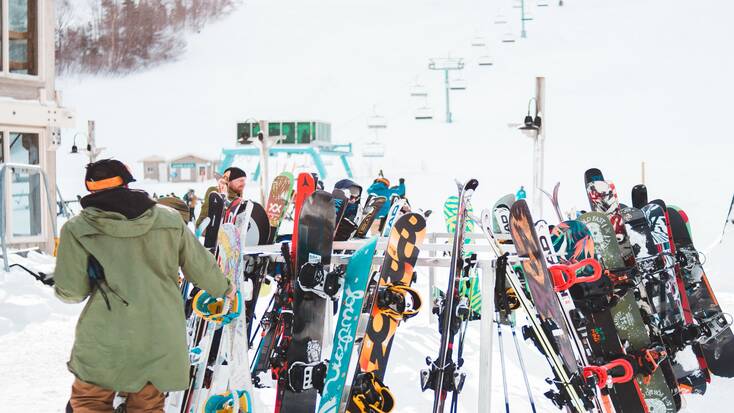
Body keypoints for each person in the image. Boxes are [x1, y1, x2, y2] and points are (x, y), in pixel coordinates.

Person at [54, 159, 235, 413]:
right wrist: (226, 289)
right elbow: (202, 268)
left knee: (90, 402)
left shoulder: (77, 229)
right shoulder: (170, 220)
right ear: (128, 183)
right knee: (147, 407)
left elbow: (71, 291)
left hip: (104, 341)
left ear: (91, 189)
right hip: (159, 336)